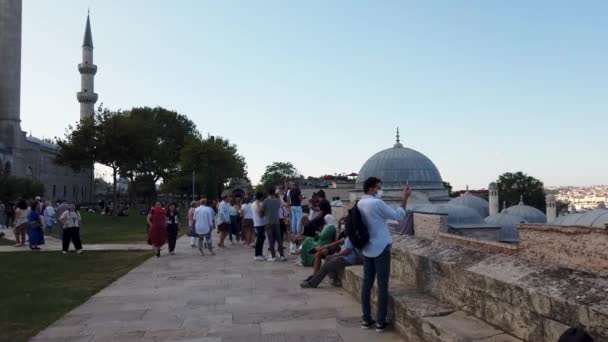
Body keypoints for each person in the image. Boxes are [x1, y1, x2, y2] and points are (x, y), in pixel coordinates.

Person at [358, 177, 410, 332]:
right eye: (379, 187)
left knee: (367, 284)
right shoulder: (376, 203)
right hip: (381, 247)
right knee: (382, 285)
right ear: (372, 188)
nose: (380, 190)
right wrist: (405, 198)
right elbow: (399, 216)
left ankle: (366, 319)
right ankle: (380, 321)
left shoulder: (360, 203)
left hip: (367, 248)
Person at [259, 188, 286, 262]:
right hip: (276, 222)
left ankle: (273, 256)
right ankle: (282, 255)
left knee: (271, 240)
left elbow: (261, 210)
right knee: (279, 239)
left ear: (268, 193)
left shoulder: (266, 200)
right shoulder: (278, 200)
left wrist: (262, 214)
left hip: (268, 222)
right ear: (274, 192)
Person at [252, 192, 267, 261]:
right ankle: (257, 254)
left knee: (262, 238)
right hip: (260, 223)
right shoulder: (258, 204)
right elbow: (260, 214)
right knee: (259, 239)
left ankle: (260, 253)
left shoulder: (253, 204)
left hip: (257, 223)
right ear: (261, 197)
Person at [288, 181, 303, 253]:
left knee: (294, 219)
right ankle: (298, 232)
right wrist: (302, 198)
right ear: (297, 185)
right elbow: (300, 198)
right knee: (299, 219)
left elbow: (290, 198)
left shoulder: (290, 190)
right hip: (297, 206)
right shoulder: (298, 190)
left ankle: (293, 231)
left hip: (292, 206)